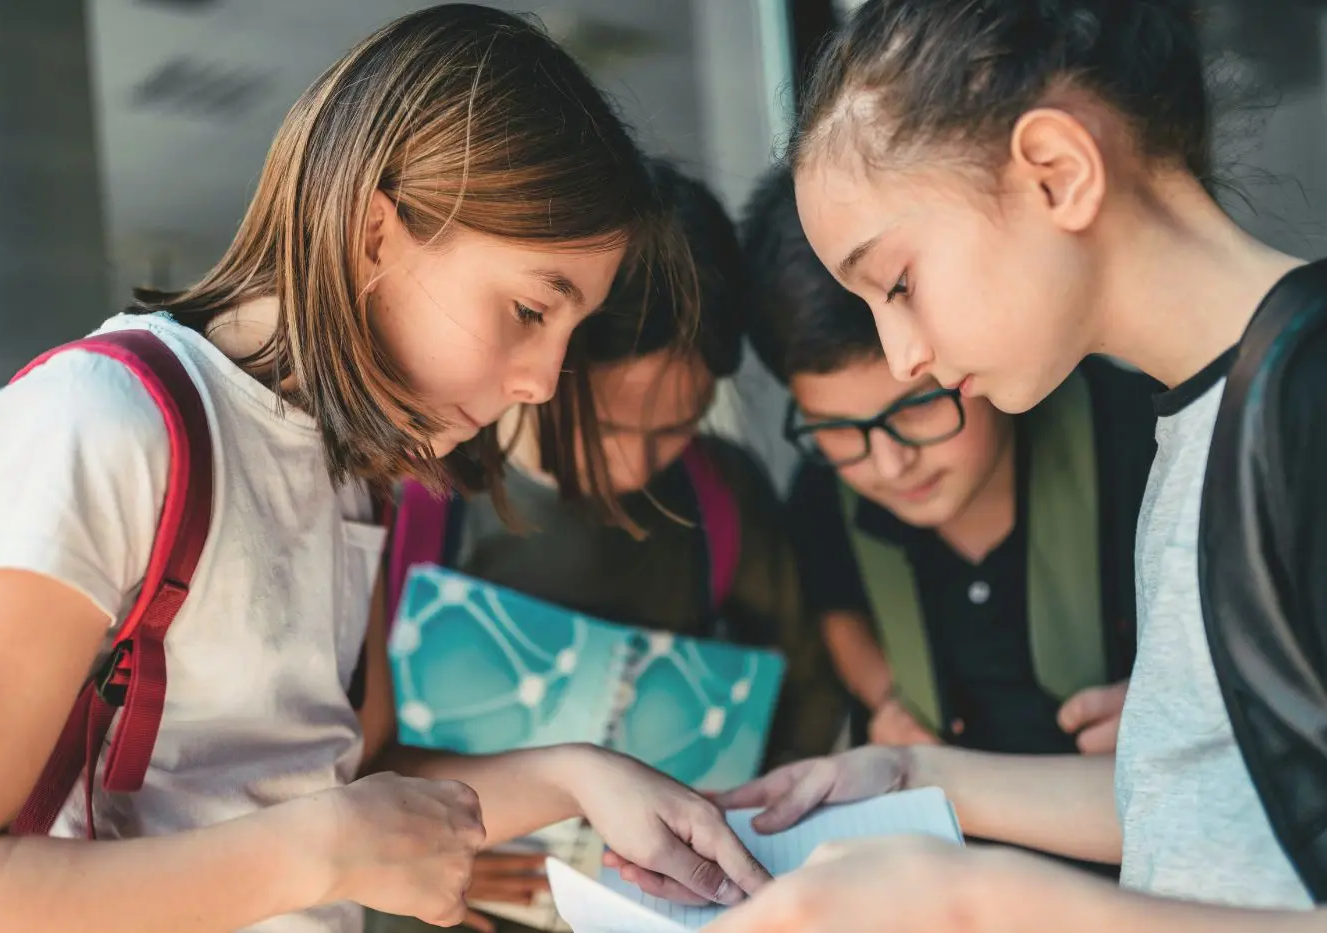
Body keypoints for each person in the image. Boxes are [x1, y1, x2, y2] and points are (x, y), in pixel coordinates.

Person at [0, 8, 771, 933]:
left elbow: (343, 783)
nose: (541, 381)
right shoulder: (98, 426)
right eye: (531, 310)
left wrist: (581, 776)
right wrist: (317, 852)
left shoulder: (353, 470)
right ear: (375, 233)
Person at [611, 0, 1327, 929]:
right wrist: (912, 775)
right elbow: (1205, 812)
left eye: (898, 283)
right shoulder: (1200, 424)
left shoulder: (1303, 404)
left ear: (1057, 172)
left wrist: (976, 899)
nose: (903, 356)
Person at [370, 160, 845, 933]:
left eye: (678, 427)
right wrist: (430, 851)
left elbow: (809, 691)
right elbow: (343, 757)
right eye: (613, 427)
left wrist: (748, 825)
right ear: (544, 362)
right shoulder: (409, 497)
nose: (638, 465)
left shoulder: (720, 498)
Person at [741, 167, 1156, 758]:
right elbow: (837, 604)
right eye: (836, 428)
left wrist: (1175, 703)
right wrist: (885, 698)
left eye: (918, 407)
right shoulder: (822, 495)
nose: (889, 464)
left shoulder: (1143, 445)